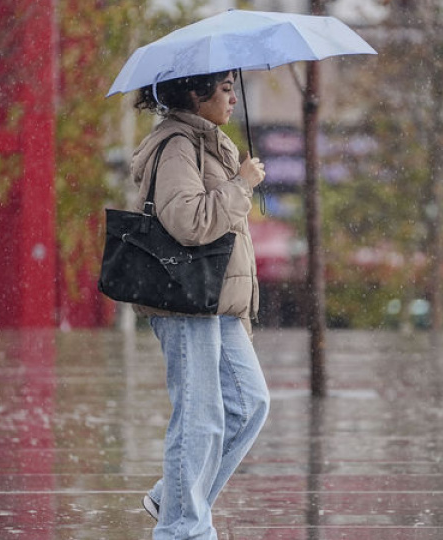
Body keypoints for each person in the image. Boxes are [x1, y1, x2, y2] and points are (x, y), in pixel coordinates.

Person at [129, 69, 270, 540]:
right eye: (225, 90)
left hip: (216, 300)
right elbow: (189, 221)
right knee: (200, 416)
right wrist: (241, 186)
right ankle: (182, 529)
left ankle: (173, 498)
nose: (232, 99)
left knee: (249, 404)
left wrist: (237, 180)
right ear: (196, 92)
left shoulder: (211, 143)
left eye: (233, 89)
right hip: (185, 298)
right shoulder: (177, 147)